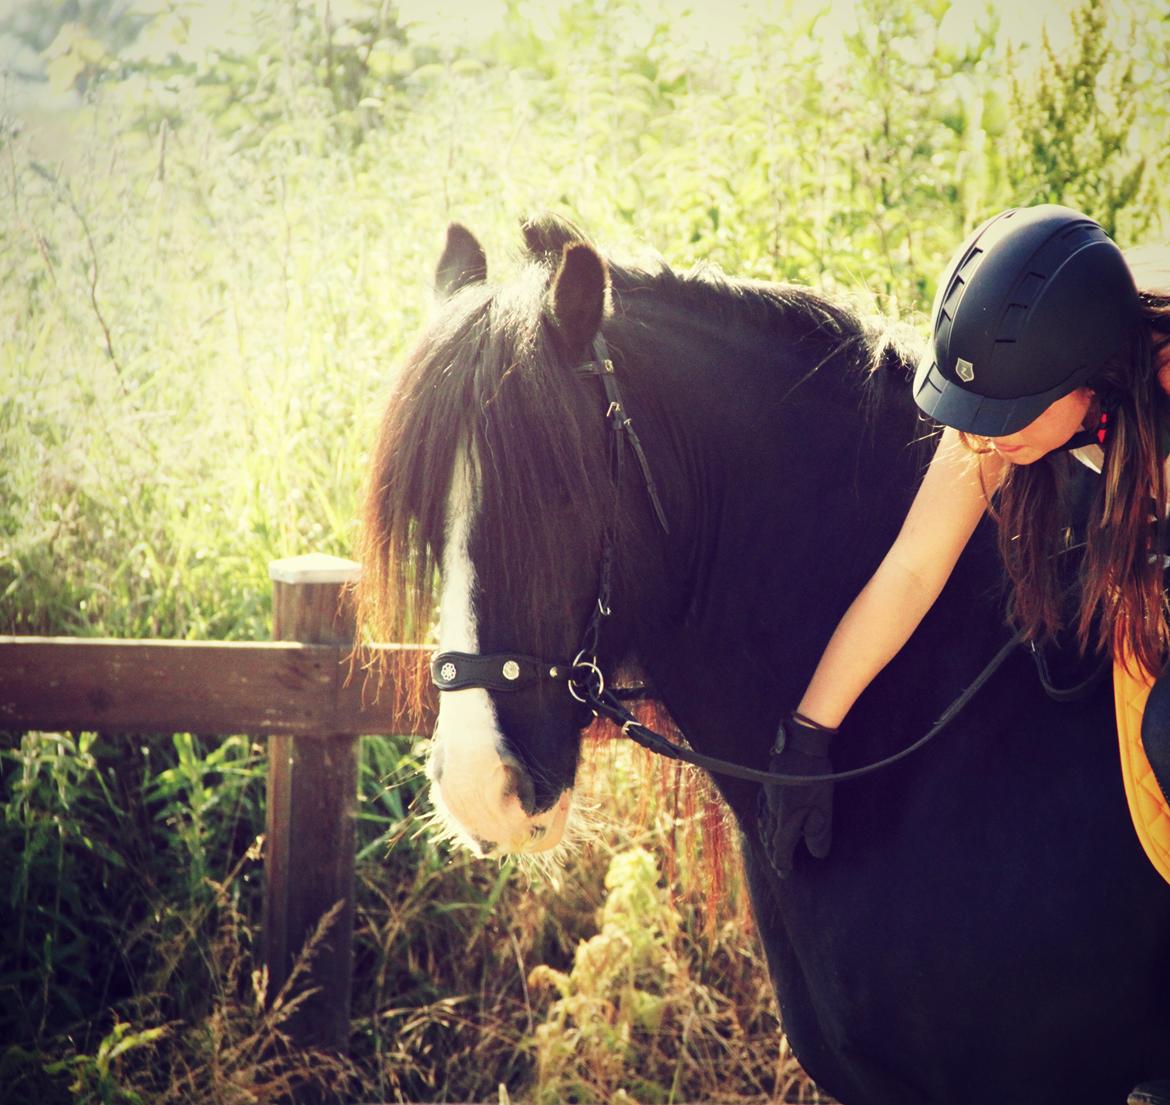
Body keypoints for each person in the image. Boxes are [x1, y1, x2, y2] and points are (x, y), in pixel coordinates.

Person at [759, 203, 1170, 1104]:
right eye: (969, 414)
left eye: (1003, 417)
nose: (980, 439)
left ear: (1093, 374)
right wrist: (806, 733)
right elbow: (910, 570)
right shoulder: (1002, 408)